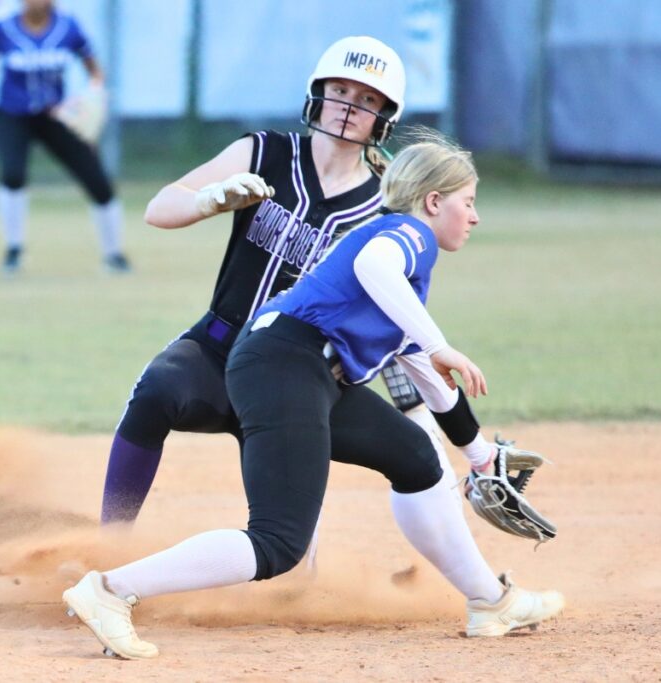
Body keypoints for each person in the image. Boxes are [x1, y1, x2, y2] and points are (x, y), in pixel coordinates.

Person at [62, 135, 565, 659]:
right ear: (434, 202)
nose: (475, 217)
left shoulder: (408, 273)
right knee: (278, 542)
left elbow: (428, 376)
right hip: (285, 363)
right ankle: (110, 590)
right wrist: (442, 344)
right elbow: (378, 269)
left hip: (306, 372)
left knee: (418, 459)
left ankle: (490, 601)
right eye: (469, 201)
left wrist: (480, 456)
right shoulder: (407, 234)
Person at [99, 35, 467, 541]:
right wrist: (210, 200)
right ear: (317, 93)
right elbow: (159, 208)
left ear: (384, 117)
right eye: (339, 89)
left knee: (289, 557)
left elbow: (394, 322)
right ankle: (109, 540)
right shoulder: (264, 153)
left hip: (304, 380)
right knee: (156, 389)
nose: (348, 107)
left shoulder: (386, 211)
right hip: (218, 349)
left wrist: (426, 418)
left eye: (366, 100)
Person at [0, 0, 131, 274]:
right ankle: (13, 250)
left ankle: (114, 255)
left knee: (97, 180)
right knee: (12, 174)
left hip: (55, 115)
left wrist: (94, 93)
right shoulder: (3, 29)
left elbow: (93, 66)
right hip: (12, 114)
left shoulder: (67, 27)